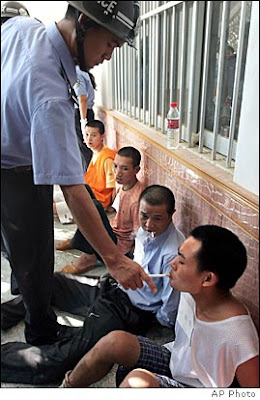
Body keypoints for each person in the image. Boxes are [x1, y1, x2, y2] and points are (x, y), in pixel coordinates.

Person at [1, 1, 156, 347]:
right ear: (85, 23)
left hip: (11, 154)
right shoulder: (50, 96)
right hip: (11, 169)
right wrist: (114, 261)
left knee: (22, 251)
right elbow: (73, 189)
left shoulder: (25, 28)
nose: (109, 56)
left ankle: (23, 295)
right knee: (37, 257)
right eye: (110, 44)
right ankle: (41, 332)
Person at [1, 185, 185, 385]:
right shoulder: (145, 231)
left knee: (64, 357)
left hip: (126, 310)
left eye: (157, 218)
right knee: (50, 283)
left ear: (171, 215)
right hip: (112, 286)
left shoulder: (172, 254)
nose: (149, 224)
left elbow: (170, 307)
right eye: (144, 216)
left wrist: (146, 321)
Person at [59, 225, 259, 389]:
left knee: (136, 383)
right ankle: (67, 388)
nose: (172, 263)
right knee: (114, 341)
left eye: (181, 261)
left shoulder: (236, 334)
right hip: (177, 363)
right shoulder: (192, 294)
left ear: (207, 279)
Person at [59, 146, 146, 274]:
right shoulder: (124, 185)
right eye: (115, 166)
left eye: (125, 169)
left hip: (118, 246)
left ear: (136, 170)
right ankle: (78, 240)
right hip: (113, 229)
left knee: (94, 206)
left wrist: (131, 258)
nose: (118, 173)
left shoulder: (137, 200)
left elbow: (139, 232)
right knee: (84, 190)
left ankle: (89, 256)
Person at [74, 66, 96, 172]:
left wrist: (83, 121)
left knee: (85, 147)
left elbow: (82, 98)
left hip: (82, 113)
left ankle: (88, 176)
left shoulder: (76, 73)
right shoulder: (81, 71)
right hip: (85, 112)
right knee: (85, 147)